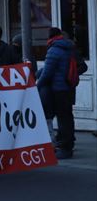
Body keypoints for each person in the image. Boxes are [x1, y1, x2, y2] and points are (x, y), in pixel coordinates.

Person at [36, 28, 77, 159]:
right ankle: (67, 144)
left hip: (59, 89)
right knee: (67, 117)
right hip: (68, 87)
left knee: (63, 119)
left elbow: (47, 73)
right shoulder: (68, 48)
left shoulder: (54, 50)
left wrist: (37, 86)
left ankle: (65, 148)